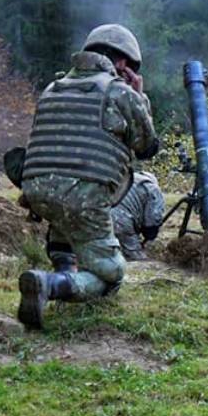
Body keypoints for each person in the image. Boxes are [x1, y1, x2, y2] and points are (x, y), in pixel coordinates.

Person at [15, 24, 159, 329]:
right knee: (110, 276)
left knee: (65, 215)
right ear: (122, 63)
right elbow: (147, 147)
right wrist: (140, 97)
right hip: (84, 199)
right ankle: (50, 285)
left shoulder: (52, 88)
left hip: (37, 192)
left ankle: (64, 267)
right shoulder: (120, 92)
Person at [109, 170, 167, 261]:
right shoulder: (152, 188)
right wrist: (150, 235)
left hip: (101, 217)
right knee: (138, 259)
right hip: (121, 222)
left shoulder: (125, 179)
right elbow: (154, 218)